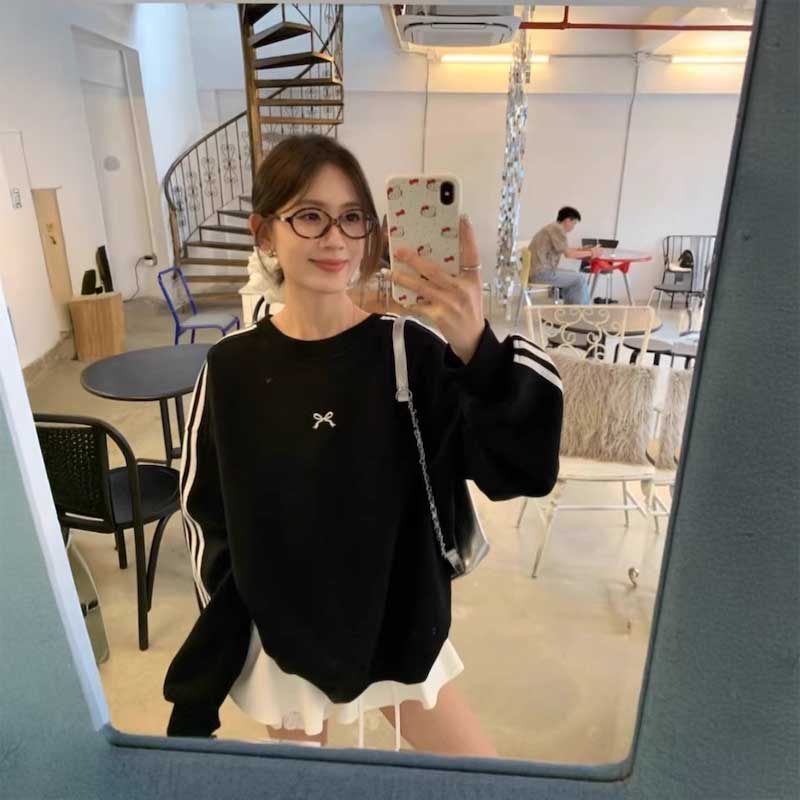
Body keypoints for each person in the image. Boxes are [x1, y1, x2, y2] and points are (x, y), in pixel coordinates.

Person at [163, 134, 564, 755]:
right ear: (264, 234)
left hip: (400, 625)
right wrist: (237, 626)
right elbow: (204, 510)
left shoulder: (411, 352)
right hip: (286, 643)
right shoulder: (232, 367)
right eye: (310, 216)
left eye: (352, 217)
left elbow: (520, 471)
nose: (336, 239)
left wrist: (478, 352)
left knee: (481, 779)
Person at [527, 207, 602, 305]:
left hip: (537, 272)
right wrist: (592, 253)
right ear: (567, 220)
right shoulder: (557, 230)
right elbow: (569, 254)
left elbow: (566, 250)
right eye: (574, 223)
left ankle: (571, 311)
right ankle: (581, 312)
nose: (573, 227)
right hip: (541, 274)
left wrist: (584, 250)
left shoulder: (552, 228)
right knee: (580, 279)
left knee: (573, 275)